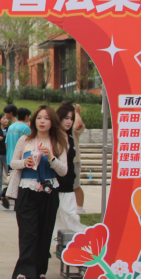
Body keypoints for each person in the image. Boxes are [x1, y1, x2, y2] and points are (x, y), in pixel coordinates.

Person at [6, 106, 68, 279]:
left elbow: (64, 171)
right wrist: (24, 163)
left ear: (52, 122)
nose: (42, 121)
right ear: (33, 121)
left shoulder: (59, 141)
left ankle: (40, 271)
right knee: (28, 233)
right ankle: (23, 274)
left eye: (46, 118)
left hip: (49, 192)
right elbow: (13, 162)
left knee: (44, 231)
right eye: (39, 118)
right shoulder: (25, 140)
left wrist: (51, 158)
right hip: (27, 190)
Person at [53, 103, 84, 242]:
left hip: (68, 184)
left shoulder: (70, 137)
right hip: (55, 183)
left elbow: (79, 125)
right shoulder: (53, 137)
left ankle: (77, 241)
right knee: (57, 216)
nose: (69, 122)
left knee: (71, 215)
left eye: (71, 119)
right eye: (66, 118)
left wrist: (77, 113)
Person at [2, 106, 32, 209]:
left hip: (10, 157)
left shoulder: (11, 127)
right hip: (20, 159)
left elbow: (6, 142)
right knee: (19, 180)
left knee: (12, 178)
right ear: (27, 116)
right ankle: (15, 201)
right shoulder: (26, 128)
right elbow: (29, 144)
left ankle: (8, 196)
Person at [71, 104, 87, 214]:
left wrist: (77, 113)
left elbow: (79, 125)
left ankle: (80, 208)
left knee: (75, 185)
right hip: (60, 160)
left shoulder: (73, 126)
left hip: (74, 161)